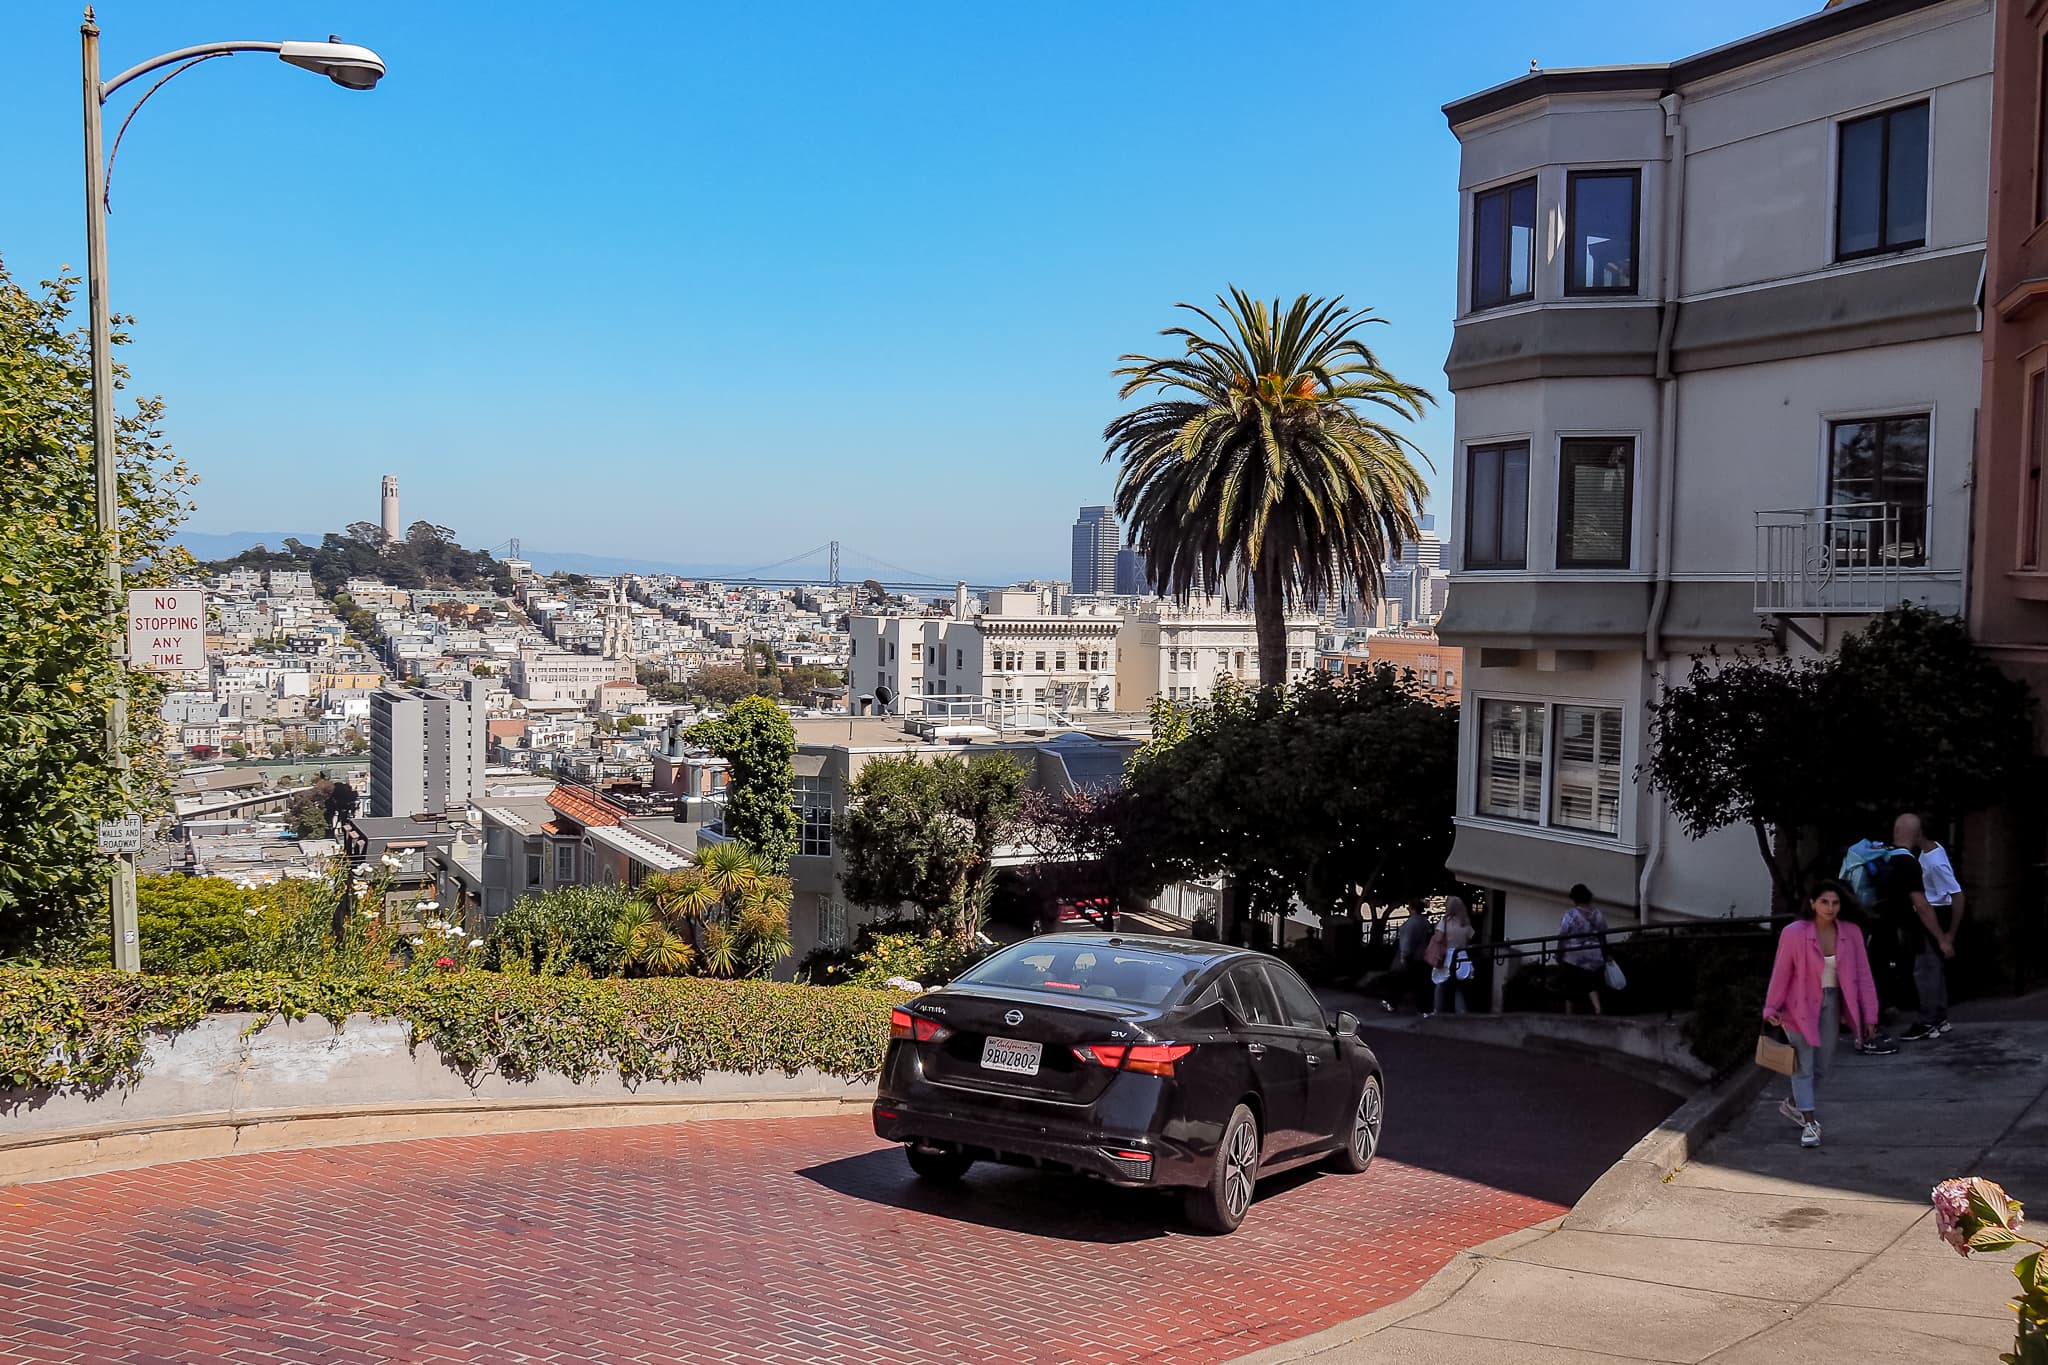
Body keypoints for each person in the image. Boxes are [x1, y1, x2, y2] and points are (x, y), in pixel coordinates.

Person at [1763, 882, 1882, 1148]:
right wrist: (1772, 1007)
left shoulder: (1851, 933)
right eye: (1824, 902)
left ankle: (1795, 1104)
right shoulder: (1794, 933)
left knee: (1823, 1064)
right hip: (1797, 1006)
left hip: (1832, 1002)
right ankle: (1809, 1123)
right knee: (1803, 1064)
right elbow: (1781, 971)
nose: (1830, 908)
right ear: (1812, 903)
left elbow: (1863, 976)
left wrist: (1870, 1015)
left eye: (1835, 902)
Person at [1895, 813, 1962, 1040]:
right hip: (1933, 913)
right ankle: (1939, 1017)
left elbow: (1958, 895)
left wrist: (1949, 934)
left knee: (1925, 968)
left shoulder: (1934, 861)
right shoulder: (1928, 851)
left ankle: (1928, 1021)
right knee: (1932, 968)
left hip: (1933, 914)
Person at [1558, 884, 1607, 1015]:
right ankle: (1597, 1008)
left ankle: (1568, 1014)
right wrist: (1604, 952)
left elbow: (1563, 935)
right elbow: (1603, 935)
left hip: (1574, 956)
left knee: (1570, 985)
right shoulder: (1597, 914)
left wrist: (1559, 952)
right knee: (1591, 984)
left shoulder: (1571, 914)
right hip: (1594, 954)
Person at [1430, 897, 1476, 1016]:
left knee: (1440, 984)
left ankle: (1437, 1010)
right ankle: (1461, 1011)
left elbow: (1439, 938)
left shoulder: (1444, 921)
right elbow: (1470, 937)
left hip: (1447, 955)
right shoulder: (1465, 923)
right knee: (1459, 986)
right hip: (1462, 955)